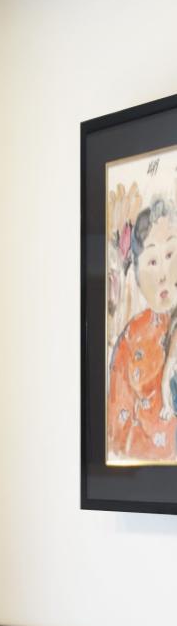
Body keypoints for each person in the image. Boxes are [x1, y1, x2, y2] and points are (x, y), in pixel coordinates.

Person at [107, 197, 177, 461]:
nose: (163, 274)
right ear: (136, 274)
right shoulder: (130, 338)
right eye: (152, 262)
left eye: (170, 255)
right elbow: (115, 432)